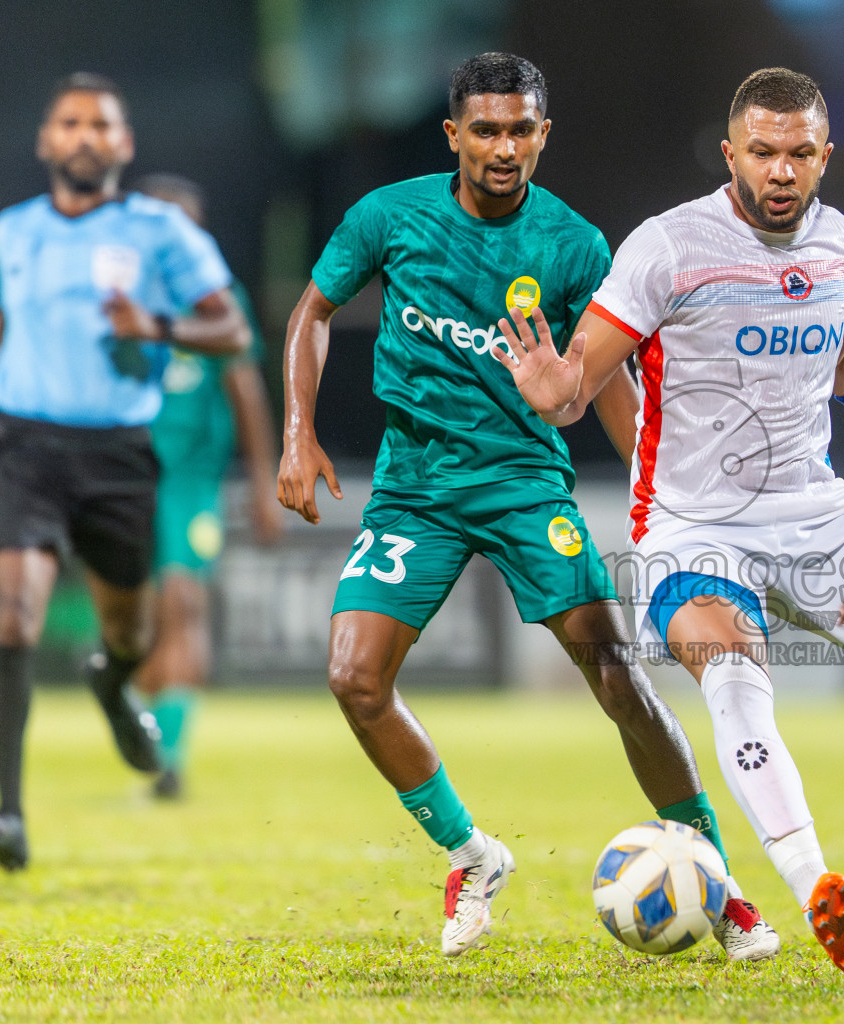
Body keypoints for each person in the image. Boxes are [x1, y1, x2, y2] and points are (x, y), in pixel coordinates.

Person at [494, 67, 844, 976]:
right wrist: (555, 391)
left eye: (798, 153)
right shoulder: (668, 247)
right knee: (735, 677)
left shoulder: (836, 247)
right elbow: (578, 378)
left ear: (825, 156)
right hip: (692, 527)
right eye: (762, 152)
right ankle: (814, 885)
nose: (781, 170)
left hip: (819, 515)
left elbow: (841, 362)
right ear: (731, 155)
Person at [276, 53, 779, 961]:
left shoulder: (576, 246)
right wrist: (296, 433)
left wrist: (655, 506)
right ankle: (472, 857)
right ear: (454, 136)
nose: (503, 148)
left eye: (520, 130)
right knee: (353, 678)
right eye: (486, 130)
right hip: (416, 490)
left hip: (524, 487)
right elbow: (312, 311)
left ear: (543, 134)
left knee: (618, 677)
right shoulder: (391, 217)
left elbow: (616, 378)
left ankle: (720, 881)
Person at [0, 73, 249, 870]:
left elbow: (228, 328)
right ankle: (8, 814)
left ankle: (114, 683)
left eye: (100, 125)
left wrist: (155, 324)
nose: (84, 135)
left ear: (121, 144)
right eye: (70, 123)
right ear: (48, 141)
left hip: (118, 452)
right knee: (12, 616)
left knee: (133, 631)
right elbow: (14, 314)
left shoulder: (160, 231)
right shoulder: (13, 229)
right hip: (23, 446)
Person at [131, 173, 285, 800]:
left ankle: (169, 760)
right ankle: (146, 725)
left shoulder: (218, 302)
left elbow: (244, 389)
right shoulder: (123, 299)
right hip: (124, 475)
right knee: (136, 626)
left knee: (182, 604)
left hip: (189, 480)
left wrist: (263, 475)